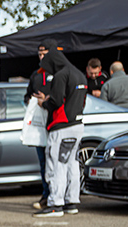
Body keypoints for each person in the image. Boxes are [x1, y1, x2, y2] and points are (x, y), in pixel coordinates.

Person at [32, 48, 87, 218]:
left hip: (61, 126)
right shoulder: (79, 74)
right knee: (72, 164)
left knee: (56, 164)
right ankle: (71, 202)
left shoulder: (61, 75)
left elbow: (56, 101)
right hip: (77, 125)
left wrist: (43, 103)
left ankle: (55, 204)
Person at [25, 40, 57, 211]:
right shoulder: (35, 75)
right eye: (39, 54)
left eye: (44, 54)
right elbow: (27, 95)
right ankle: (46, 195)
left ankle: (57, 195)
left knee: (55, 162)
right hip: (39, 126)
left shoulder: (58, 73)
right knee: (43, 163)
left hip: (55, 123)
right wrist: (31, 100)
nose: (42, 57)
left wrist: (47, 99)